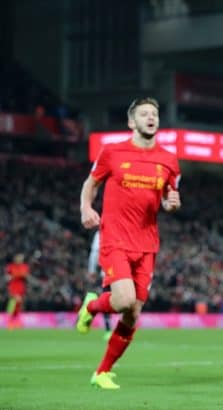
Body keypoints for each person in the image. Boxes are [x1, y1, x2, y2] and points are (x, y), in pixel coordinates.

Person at [76, 97, 181, 389]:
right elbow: (91, 183)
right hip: (115, 237)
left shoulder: (169, 160)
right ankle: (93, 307)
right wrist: (86, 208)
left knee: (132, 313)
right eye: (144, 114)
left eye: (155, 114)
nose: (151, 118)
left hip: (147, 243)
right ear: (131, 122)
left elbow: (169, 200)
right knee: (122, 300)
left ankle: (102, 372)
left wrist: (172, 204)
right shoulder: (112, 152)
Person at [87, 231, 112, 340]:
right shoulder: (101, 233)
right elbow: (95, 252)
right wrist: (92, 269)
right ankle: (108, 329)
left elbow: (94, 252)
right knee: (109, 300)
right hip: (109, 272)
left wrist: (92, 270)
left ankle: (92, 305)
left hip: (117, 271)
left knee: (119, 300)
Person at [5, 253, 29, 329]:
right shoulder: (11, 266)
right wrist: (16, 275)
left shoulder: (25, 266)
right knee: (14, 302)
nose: (20, 260)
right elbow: (8, 277)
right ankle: (10, 321)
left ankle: (15, 322)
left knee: (18, 304)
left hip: (21, 287)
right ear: (15, 259)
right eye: (19, 258)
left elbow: (25, 275)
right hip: (13, 287)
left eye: (21, 258)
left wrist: (14, 275)